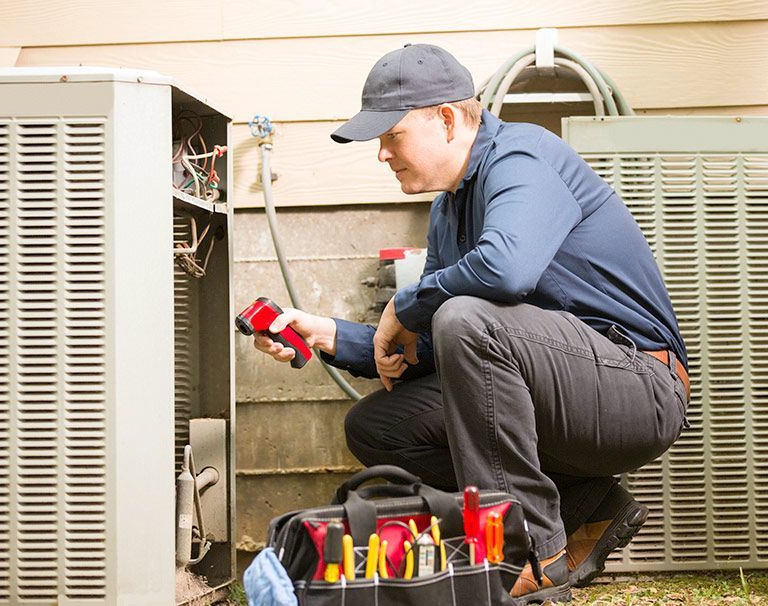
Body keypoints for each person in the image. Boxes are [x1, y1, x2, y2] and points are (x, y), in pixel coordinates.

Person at [253, 43, 690, 604]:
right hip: (556, 395)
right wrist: (330, 335)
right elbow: (435, 347)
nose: (382, 154)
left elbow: (503, 274)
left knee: (465, 316)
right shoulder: (447, 208)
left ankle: (527, 550)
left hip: (638, 389)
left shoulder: (524, 157)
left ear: (447, 118)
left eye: (392, 136)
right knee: (378, 426)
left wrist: (406, 304)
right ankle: (588, 507)